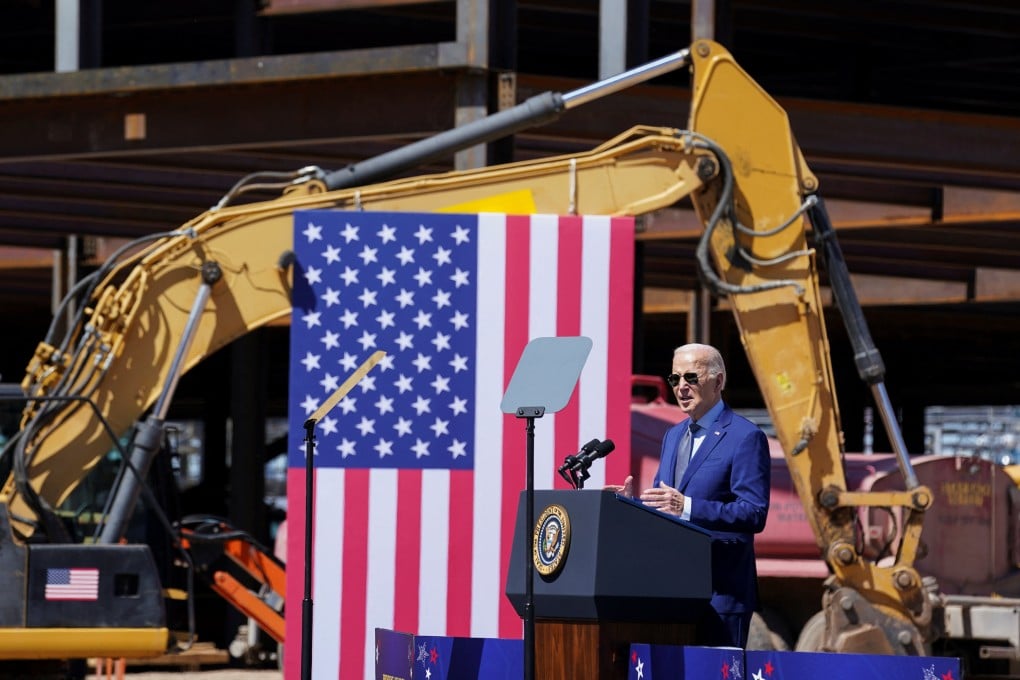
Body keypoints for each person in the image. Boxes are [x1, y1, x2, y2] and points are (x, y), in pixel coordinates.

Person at [607, 343, 770, 648]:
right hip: (674, 591)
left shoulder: (745, 437)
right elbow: (665, 507)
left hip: (722, 595)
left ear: (718, 381)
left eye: (691, 377)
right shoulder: (673, 435)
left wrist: (687, 507)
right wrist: (632, 505)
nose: (681, 387)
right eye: (675, 379)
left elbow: (753, 513)